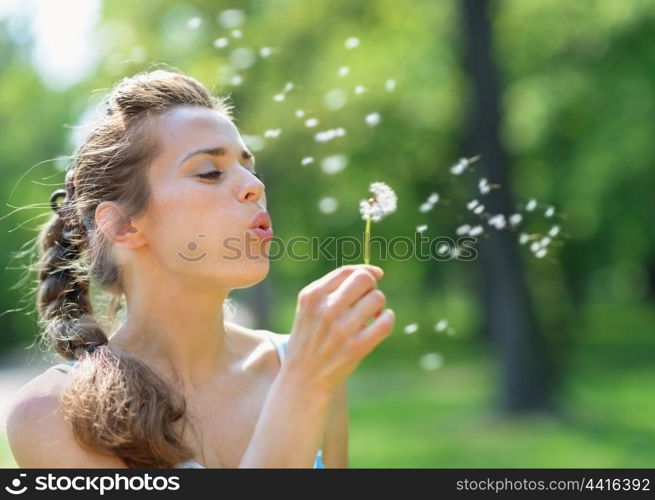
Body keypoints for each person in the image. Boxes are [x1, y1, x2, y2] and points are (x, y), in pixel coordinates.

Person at [5, 68, 395, 468]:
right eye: (210, 172)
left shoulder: (303, 363)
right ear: (124, 225)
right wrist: (302, 388)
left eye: (249, 167)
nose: (254, 186)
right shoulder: (52, 414)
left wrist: (308, 377)